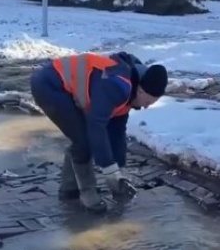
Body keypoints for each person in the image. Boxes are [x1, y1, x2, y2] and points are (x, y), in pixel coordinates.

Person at [30, 51, 168, 213]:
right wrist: (110, 170)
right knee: (84, 140)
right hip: (50, 85)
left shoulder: (133, 87)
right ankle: (87, 192)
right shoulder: (117, 85)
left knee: (81, 137)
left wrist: (119, 171)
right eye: (147, 102)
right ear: (141, 91)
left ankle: (68, 191)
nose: (145, 107)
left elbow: (117, 132)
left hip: (66, 87)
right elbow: (96, 126)